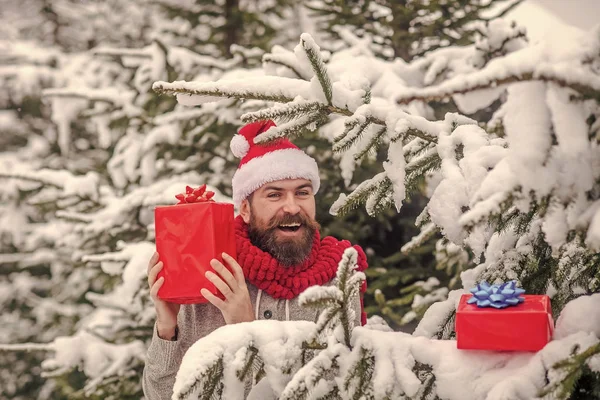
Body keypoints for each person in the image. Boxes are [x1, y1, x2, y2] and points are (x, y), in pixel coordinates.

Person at [142, 120, 368, 399]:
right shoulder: (212, 277)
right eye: (274, 194)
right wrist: (167, 329)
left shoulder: (338, 278)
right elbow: (163, 395)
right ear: (246, 209)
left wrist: (247, 331)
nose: (292, 207)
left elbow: (348, 388)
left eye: (302, 192)